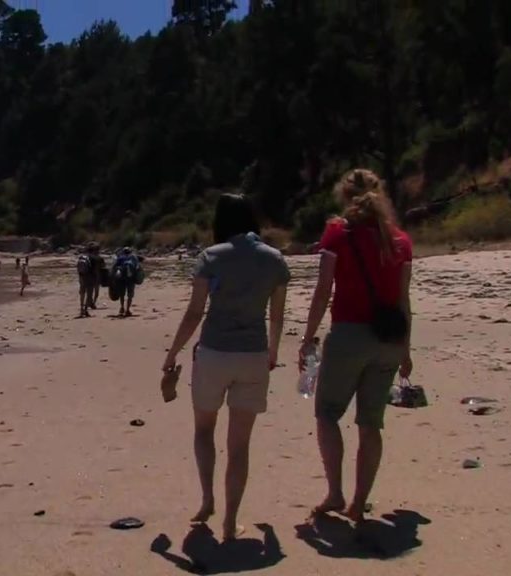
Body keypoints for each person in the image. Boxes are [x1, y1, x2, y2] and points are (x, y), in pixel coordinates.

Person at [162, 193, 290, 542]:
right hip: (254, 355)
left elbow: (194, 312)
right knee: (239, 446)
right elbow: (277, 316)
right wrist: (273, 353)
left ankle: (207, 500)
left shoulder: (211, 257)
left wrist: (173, 353)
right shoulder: (275, 259)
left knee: (204, 430)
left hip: (214, 354)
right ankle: (231, 522)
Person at [299, 168, 413, 524]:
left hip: (349, 334)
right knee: (370, 423)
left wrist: (307, 337)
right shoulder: (399, 240)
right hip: (389, 340)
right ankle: (358, 502)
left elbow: (323, 291)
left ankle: (335, 493)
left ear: (345, 196)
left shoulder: (338, 234)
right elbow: (403, 300)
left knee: (327, 413)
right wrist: (406, 350)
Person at [114, 247, 141, 317]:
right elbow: (138, 267)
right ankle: (128, 310)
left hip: (122, 279)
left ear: (123, 252)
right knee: (130, 295)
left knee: (122, 294)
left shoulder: (120, 258)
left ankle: (122, 307)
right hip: (131, 279)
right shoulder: (133, 258)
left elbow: (115, 267)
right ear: (130, 252)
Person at [77, 244, 101, 317]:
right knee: (89, 295)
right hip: (90, 278)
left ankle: (81, 309)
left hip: (82, 277)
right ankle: (85, 310)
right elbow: (96, 270)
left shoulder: (82, 257)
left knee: (82, 294)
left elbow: (79, 268)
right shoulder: (93, 258)